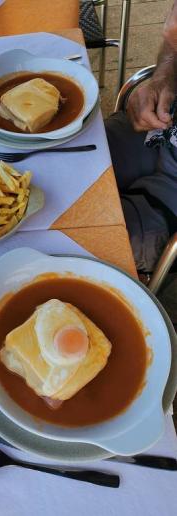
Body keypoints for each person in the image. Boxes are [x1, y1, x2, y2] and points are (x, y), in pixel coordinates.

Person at [105, 2, 177, 322]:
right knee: (46, 170)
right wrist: (163, 77)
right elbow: (173, 47)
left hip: (171, 192)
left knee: (76, 241)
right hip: (155, 130)